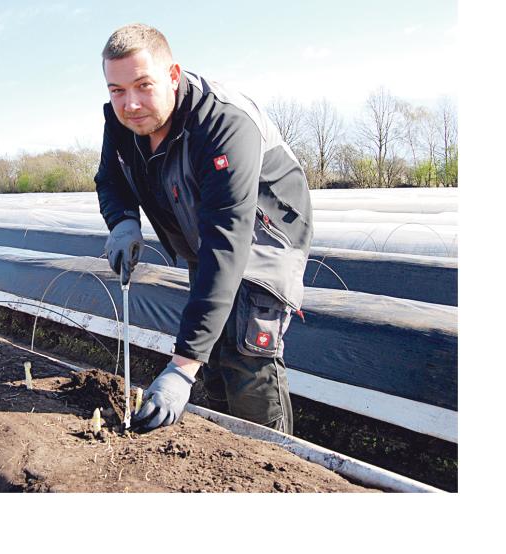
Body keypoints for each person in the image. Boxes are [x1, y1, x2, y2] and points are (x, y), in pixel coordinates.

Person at [95, 23, 313, 434]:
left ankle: (270, 461)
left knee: (244, 355)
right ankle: (219, 446)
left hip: (264, 234)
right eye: (117, 90)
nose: (131, 103)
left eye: (144, 85)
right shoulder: (120, 118)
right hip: (201, 231)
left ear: (173, 76)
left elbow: (228, 242)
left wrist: (179, 368)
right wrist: (122, 221)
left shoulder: (223, 123)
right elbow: (110, 179)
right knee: (209, 354)